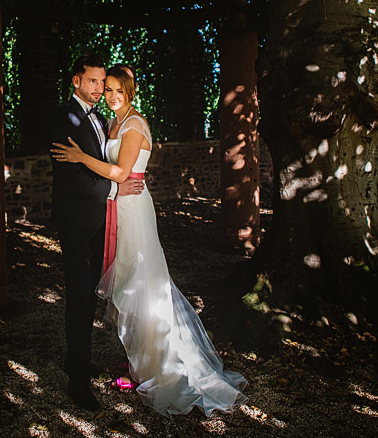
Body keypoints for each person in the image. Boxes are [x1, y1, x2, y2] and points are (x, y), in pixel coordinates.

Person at [52, 64, 247, 417]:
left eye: (115, 89)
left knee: (144, 284)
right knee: (127, 285)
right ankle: (130, 363)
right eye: (104, 87)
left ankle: (161, 366)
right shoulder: (108, 121)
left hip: (131, 207)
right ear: (79, 82)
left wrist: (81, 157)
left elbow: (122, 173)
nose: (109, 94)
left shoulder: (133, 124)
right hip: (113, 208)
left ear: (131, 92)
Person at [46, 53, 146, 411]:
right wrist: (114, 191)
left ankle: (81, 361)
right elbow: (69, 175)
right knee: (78, 297)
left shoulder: (102, 118)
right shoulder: (64, 117)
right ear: (76, 81)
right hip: (76, 223)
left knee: (90, 296)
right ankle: (77, 382)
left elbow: (107, 165)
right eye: (92, 81)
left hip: (100, 220)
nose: (99, 88)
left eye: (102, 82)